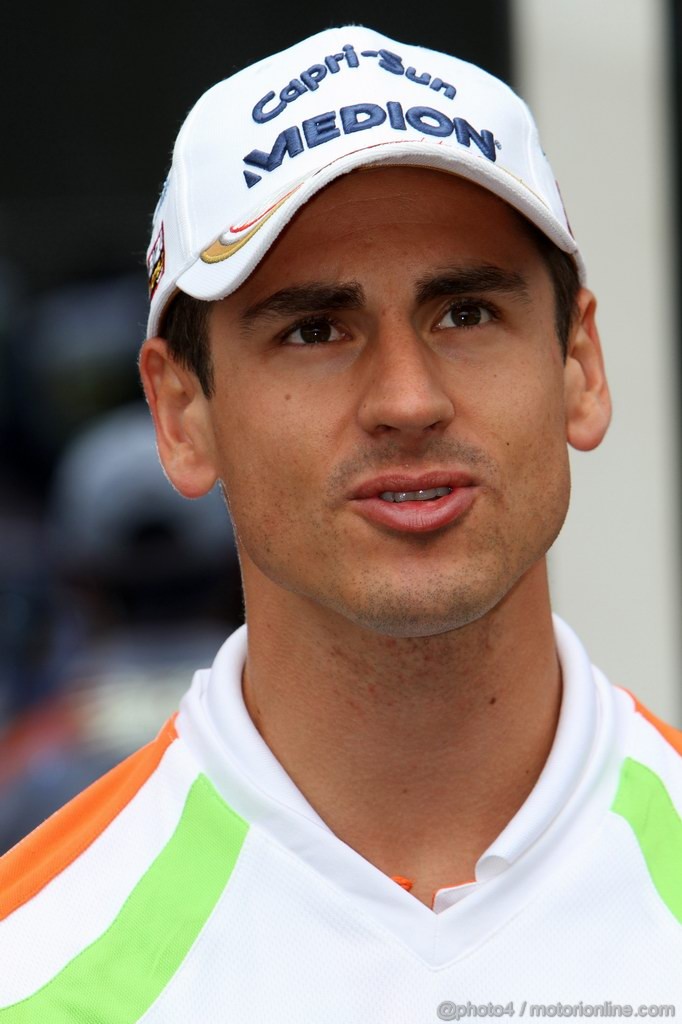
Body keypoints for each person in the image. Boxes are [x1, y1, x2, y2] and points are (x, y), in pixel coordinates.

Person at [0, 25, 680, 1020]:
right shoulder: (34, 970)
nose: (406, 398)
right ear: (181, 414)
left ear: (578, 363)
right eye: (314, 329)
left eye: (465, 314)